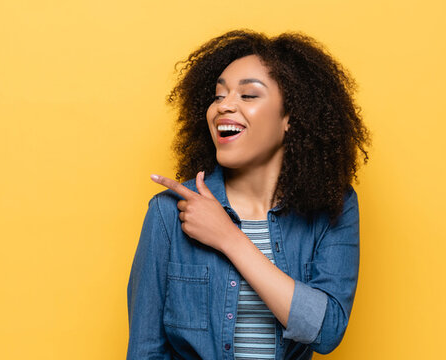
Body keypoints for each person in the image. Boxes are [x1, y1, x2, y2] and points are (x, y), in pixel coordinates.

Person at [126, 29, 371, 359]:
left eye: (248, 95)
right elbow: (144, 349)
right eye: (218, 96)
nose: (224, 106)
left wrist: (228, 237)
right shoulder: (169, 212)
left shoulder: (333, 206)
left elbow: (326, 331)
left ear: (291, 117)